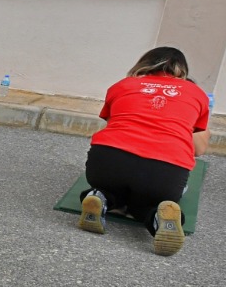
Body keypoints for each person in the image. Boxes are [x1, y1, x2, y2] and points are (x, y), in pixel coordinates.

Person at [78, 46, 210, 256]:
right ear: (182, 71)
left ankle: (100, 196)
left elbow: (113, 123)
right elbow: (199, 148)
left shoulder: (123, 85)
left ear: (143, 63)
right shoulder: (196, 93)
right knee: (152, 201)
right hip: (164, 170)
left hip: (107, 162)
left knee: (114, 189)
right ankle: (157, 217)